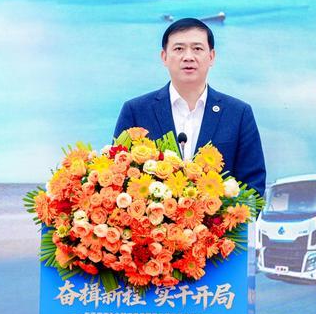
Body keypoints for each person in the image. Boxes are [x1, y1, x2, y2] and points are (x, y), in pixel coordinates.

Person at [114, 18, 266, 197]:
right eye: (179, 49)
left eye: (197, 49)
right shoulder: (136, 111)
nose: (188, 57)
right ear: (164, 57)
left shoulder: (238, 114)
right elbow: (117, 176)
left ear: (211, 56)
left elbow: (253, 186)